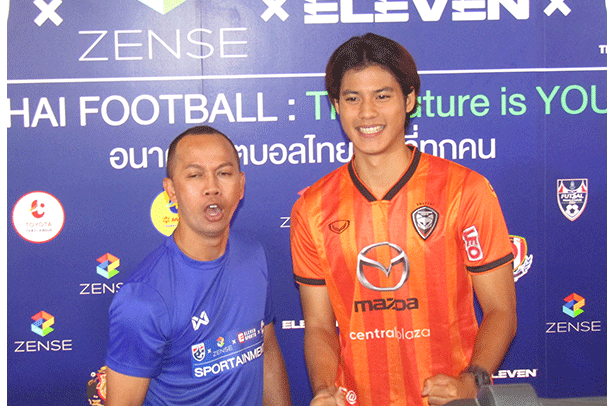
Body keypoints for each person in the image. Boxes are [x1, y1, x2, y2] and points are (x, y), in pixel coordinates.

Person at [290, 33, 517, 406]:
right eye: (352, 98)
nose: (367, 113)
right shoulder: (312, 209)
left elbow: (500, 310)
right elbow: (317, 326)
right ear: (335, 105)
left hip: (448, 402)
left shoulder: (465, 190)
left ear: (409, 99)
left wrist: (471, 381)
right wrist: (325, 389)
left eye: (382, 96)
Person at [105, 125, 290, 406]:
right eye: (195, 175)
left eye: (224, 173)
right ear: (171, 191)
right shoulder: (142, 300)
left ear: (241, 185)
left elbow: (267, 353)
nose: (212, 187)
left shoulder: (253, 255)